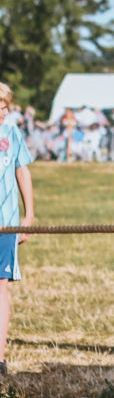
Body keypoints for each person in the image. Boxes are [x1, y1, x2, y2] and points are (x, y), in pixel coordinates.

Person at [0, 81, 34, 377]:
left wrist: (29, 214)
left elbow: (22, 170)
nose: (2, 111)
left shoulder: (12, 133)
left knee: (1, 286)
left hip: (6, 222)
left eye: (5, 106)